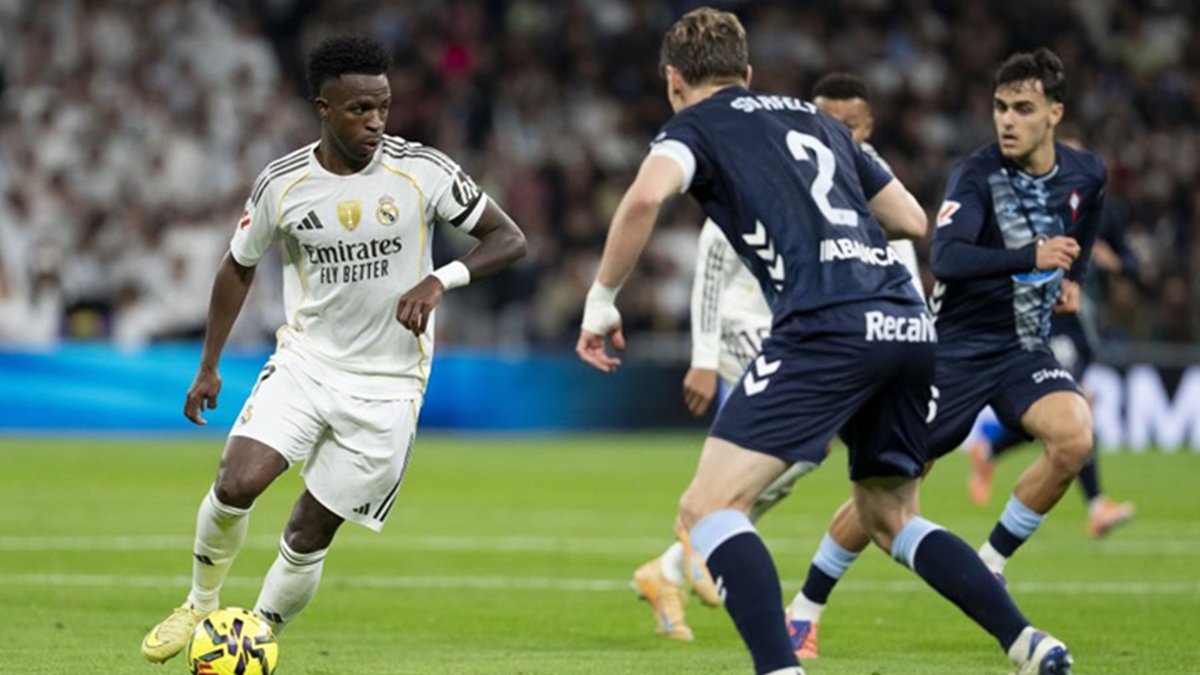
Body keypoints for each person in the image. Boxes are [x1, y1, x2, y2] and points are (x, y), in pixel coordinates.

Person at [577, 9, 1070, 675]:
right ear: (747, 73)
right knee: (890, 516)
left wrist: (601, 302)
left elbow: (643, 200)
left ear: (673, 81)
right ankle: (1029, 643)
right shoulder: (819, 122)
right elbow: (911, 218)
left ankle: (780, 669)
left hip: (826, 324)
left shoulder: (694, 126)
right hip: (904, 320)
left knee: (707, 507)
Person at [140, 36, 526, 664]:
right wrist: (209, 365)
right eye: (360, 109)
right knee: (236, 482)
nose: (376, 122)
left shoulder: (422, 170)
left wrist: (439, 280)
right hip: (307, 363)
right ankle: (198, 605)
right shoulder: (283, 184)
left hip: (389, 385)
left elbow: (509, 239)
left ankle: (255, 635)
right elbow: (238, 265)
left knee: (309, 530)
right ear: (324, 108)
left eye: (384, 107)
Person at [788, 47, 1100, 665]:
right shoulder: (976, 175)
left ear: (1055, 113)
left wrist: (1074, 277)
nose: (1007, 120)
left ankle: (991, 562)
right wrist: (1032, 256)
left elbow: (1085, 223)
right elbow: (949, 258)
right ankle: (806, 606)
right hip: (952, 352)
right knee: (889, 493)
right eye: (1000, 107)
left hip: (1022, 348)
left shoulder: (1086, 173)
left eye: (1023, 108)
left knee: (1074, 439)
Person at [630, 72, 923, 643]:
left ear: (867, 128)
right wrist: (703, 354)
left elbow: (900, 250)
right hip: (754, 325)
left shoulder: (862, 172)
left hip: (820, 330)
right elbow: (713, 254)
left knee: (802, 457)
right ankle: (699, 539)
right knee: (792, 449)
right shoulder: (769, 151)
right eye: (828, 116)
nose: (836, 128)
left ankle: (672, 566)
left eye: (849, 123)